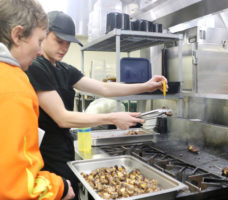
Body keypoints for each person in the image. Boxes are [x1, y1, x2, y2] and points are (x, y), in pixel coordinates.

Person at [26, 11, 168, 199]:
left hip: (64, 150)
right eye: (59, 41)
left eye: (68, 43)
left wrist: (146, 86)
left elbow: (104, 88)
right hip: (46, 157)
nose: (65, 47)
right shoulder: (36, 67)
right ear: (44, 34)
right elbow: (62, 118)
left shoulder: (64, 69)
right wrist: (112, 117)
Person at [0, 1, 75, 200]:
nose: (40, 51)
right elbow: (15, 185)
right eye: (39, 40)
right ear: (17, 35)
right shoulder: (13, 85)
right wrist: (60, 187)